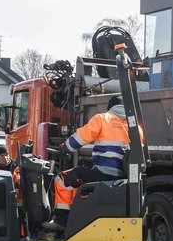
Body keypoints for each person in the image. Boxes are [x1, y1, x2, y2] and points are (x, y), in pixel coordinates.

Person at [43, 95, 133, 233]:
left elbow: (80, 138)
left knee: (62, 180)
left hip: (103, 173)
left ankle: (61, 221)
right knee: (81, 174)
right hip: (123, 176)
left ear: (110, 107)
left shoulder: (103, 118)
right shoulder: (133, 125)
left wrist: (64, 148)